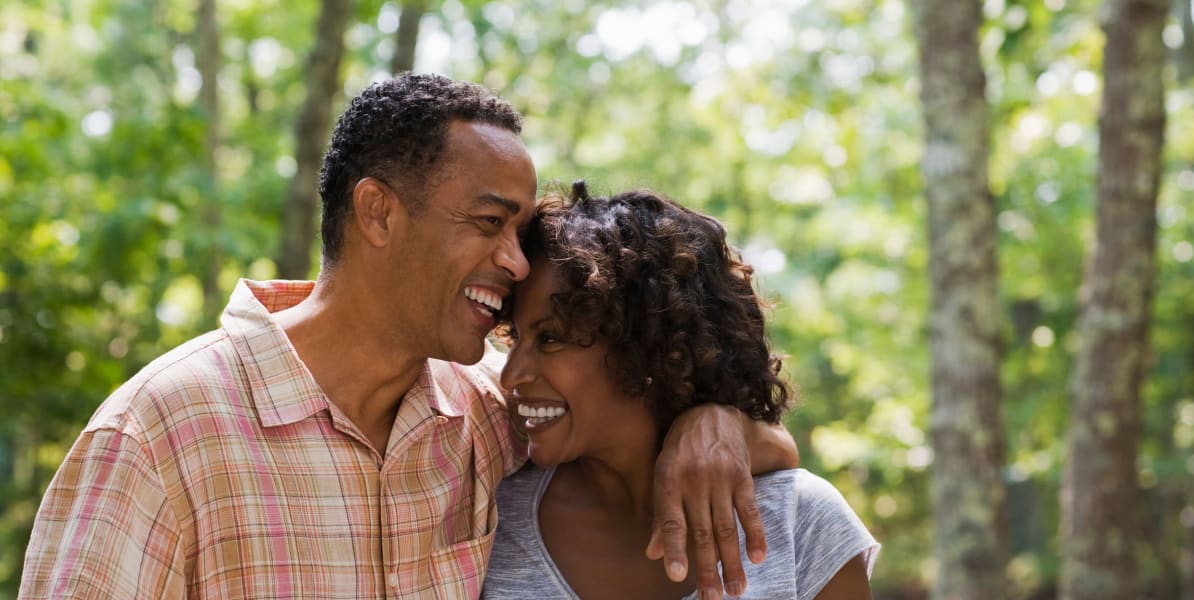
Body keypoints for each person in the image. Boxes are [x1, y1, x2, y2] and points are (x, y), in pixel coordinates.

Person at [19, 74, 797, 598]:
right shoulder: (157, 434)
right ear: (379, 212)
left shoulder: (484, 420)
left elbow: (632, 423)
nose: (516, 261)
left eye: (521, 232)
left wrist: (717, 422)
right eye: (490, 224)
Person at [482, 183, 880, 599]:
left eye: (550, 339)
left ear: (652, 349)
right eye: (515, 339)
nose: (511, 377)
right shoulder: (490, 518)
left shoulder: (802, 522)